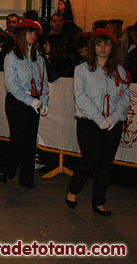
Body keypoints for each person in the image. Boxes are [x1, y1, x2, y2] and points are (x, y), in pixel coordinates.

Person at [66, 29, 131, 217]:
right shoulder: (82, 69)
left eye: (107, 44)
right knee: (90, 159)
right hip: (89, 122)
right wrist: (99, 119)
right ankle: (74, 189)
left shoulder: (119, 71)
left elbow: (125, 98)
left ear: (113, 48)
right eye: (99, 44)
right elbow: (81, 97)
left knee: (105, 162)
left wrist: (113, 118)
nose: (103, 48)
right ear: (92, 47)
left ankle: (99, 201)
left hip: (113, 123)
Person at [0, 20, 49, 189]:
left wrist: (44, 100)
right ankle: (5, 167)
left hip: (34, 101)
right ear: (21, 34)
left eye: (35, 33)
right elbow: (11, 84)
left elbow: (44, 82)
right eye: (29, 32)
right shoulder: (12, 57)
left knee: (30, 141)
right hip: (17, 101)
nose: (32, 35)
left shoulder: (38, 58)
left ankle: (27, 179)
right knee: (18, 139)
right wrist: (29, 100)